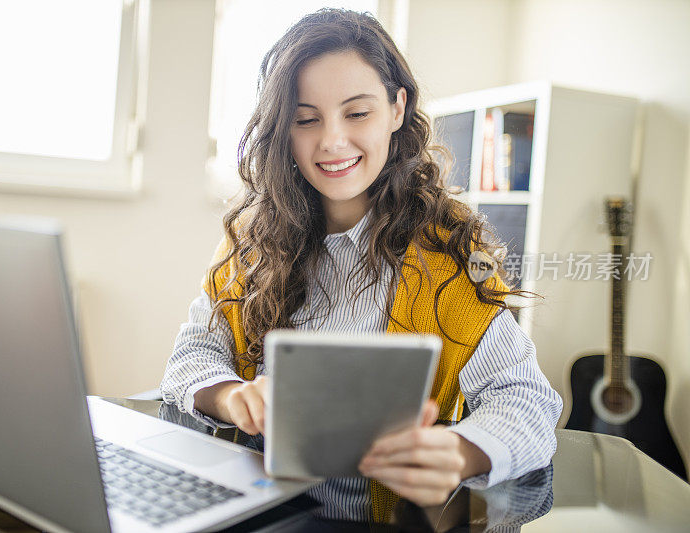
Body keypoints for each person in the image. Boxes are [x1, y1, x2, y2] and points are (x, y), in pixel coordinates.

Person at [161, 8, 562, 519]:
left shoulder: (449, 252)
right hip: (255, 512)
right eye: (306, 119)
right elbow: (192, 353)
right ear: (283, 129)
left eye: (357, 113)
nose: (331, 141)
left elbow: (527, 399)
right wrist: (230, 397)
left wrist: (462, 451)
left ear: (397, 109)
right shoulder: (253, 237)